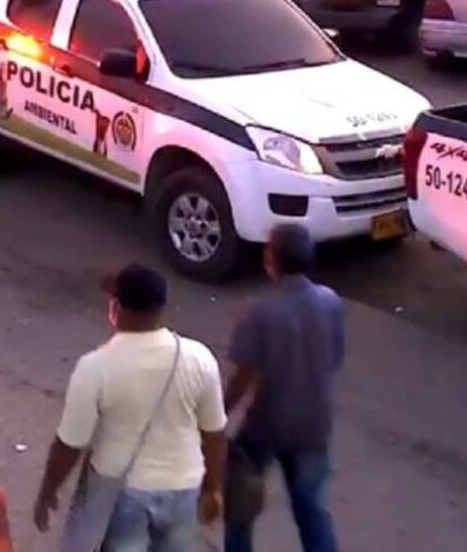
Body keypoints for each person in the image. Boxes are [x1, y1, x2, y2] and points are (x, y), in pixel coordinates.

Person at [34, 263, 227, 550]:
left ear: (116, 308)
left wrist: (48, 492)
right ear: (161, 307)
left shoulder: (96, 367)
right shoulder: (199, 358)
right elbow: (214, 432)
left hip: (124, 495)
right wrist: (213, 487)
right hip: (183, 487)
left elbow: (70, 444)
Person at [223, 225, 344, 552]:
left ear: (270, 259)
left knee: (240, 509)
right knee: (311, 509)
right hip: (314, 424)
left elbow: (244, 376)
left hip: (265, 425)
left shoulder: (259, 311)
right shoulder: (330, 302)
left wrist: (216, 417)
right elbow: (333, 358)